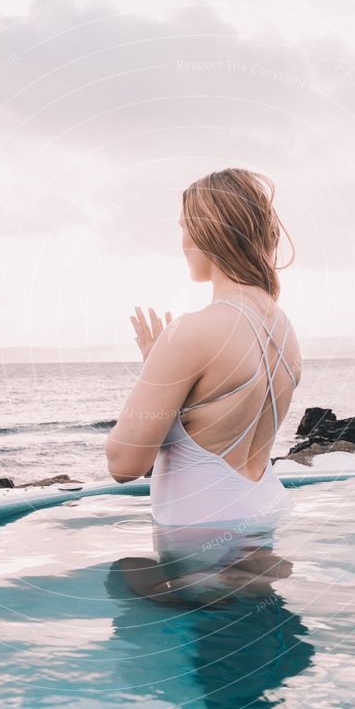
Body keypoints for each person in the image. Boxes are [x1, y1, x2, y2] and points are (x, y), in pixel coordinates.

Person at [105, 167, 302, 527]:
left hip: (204, 536)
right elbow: (218, 417)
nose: (181, 241)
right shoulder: (284, 328)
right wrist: (161, 367)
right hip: (267, 511)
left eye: (183, 227)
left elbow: (124, 463)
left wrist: (156, 368)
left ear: (206, 230)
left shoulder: (192, 332)